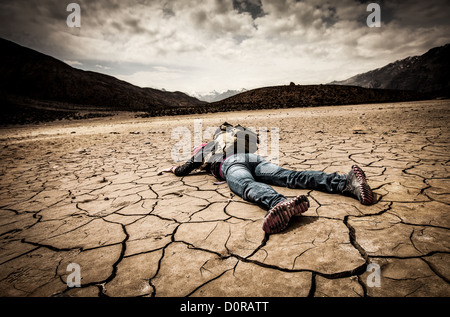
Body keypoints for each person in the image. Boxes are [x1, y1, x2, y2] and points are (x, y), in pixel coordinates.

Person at [162, 124, 375, 234]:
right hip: (254, 159)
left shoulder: (208, 147)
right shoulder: (230, 141)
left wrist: (174, 169)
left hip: (231, 164)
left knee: (246, 185)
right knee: (291, 176)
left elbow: (185, 168)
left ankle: (279, 203)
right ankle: (346, 183)